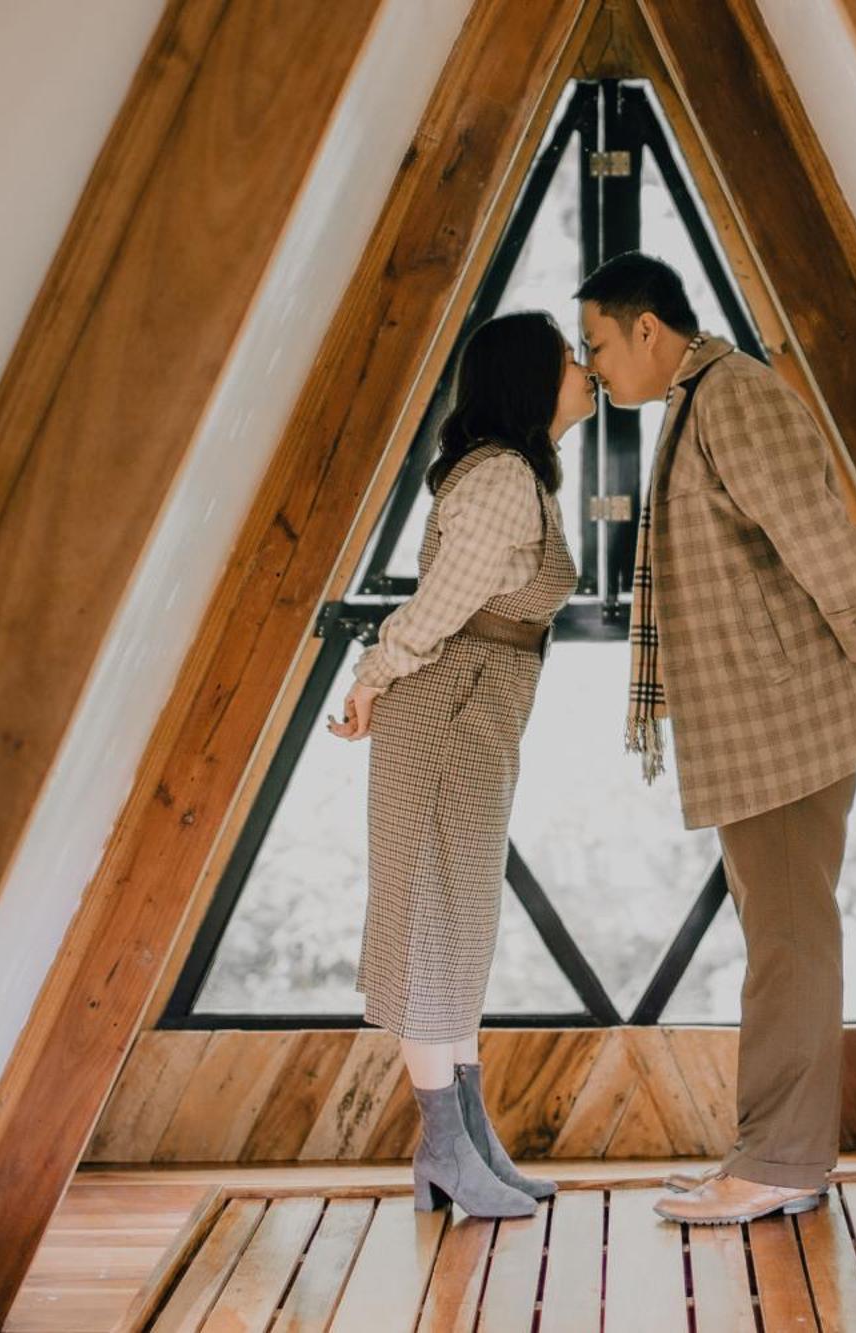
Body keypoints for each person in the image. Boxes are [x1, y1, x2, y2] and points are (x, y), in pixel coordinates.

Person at [576, 253, 856, 1225]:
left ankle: (778, 1162)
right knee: (780, 934)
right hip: (759, 722)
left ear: (647, 329)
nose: (592, 365)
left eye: (597, 343)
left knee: (786, 939)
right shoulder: (701, 401)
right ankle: (770, 1152)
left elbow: (811, 525)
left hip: (786, 715)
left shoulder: (731, 396)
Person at [327, 310, 594, 1218]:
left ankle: (469, 1144)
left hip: (475, 718)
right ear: (530, 378)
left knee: (459, 925)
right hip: (445, 715)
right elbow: (437, 608)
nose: (586, 368)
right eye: (570, 359)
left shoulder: (524, 476)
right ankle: (444, 1150)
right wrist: (371, 678)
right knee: (434, 922)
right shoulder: (501, 481)